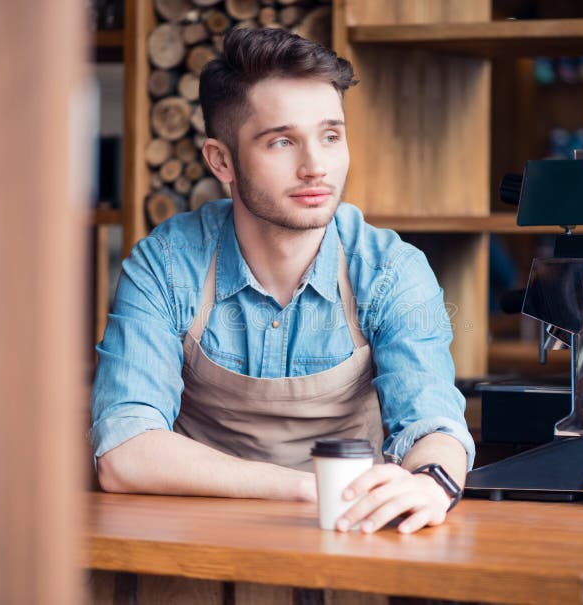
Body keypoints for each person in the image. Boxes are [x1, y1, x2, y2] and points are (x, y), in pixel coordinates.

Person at [90, 27, 475, 535]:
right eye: (282, 142)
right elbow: (124, 451)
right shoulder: (166, 265)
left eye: (330, 136)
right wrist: (307, 488)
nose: (316, 167)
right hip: (195, 543)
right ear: (221, 160)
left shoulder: (390, 270)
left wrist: (430, 481)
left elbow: (433, 424)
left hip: (351, 537)